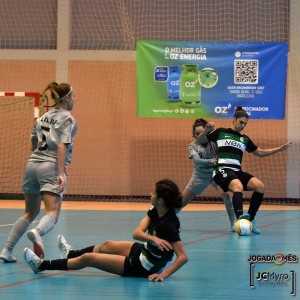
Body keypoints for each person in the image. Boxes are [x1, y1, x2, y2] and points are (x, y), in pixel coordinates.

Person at [24, 179, 188, 282]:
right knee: (107, 244)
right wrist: (153, 239)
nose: (150, 193)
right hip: (144, 251)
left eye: (153, 192)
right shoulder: (155, 210)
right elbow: (137, 233)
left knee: (89, 258)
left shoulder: (169, 225)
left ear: (160, 199)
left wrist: (163, 275)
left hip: (144, 267)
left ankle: (40, 265)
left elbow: (182, 257)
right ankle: (70, 255)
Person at [0, 82, 77, 263]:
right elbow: (61, 146)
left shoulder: (42, 118)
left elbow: (33, 144)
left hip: (32, 164)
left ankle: (6, 250)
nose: (75, 100)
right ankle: (37, 232)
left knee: (29, 212)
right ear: (66, 99)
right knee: (52, 212)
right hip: (50, 166)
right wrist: (60, 173)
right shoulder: (68, 119)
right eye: (73, 97)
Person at [197, 106, 292, 234]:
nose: (243, 125)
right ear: (234, 119)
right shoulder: (220, 132)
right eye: (241, 122)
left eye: (245, 124)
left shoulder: (245, 139)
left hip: (237, 171)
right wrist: (206, 131)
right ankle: (240, 221)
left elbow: (260, 153)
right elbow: (200, 140)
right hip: (222, 169)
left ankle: (251, 219)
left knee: (260, 186)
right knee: (238, 186)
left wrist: (278, 149)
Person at [180, 118, 236, 231]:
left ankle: (233, 224)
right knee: (182, 201)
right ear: (194, 134)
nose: (199, 135)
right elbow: (197, 160)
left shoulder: (214, 142)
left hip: (216, 174)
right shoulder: (192, 145)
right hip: (200, 175)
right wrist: (210, 161)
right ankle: (169, 220)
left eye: (202, 132)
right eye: (197, 133)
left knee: (226, 195)